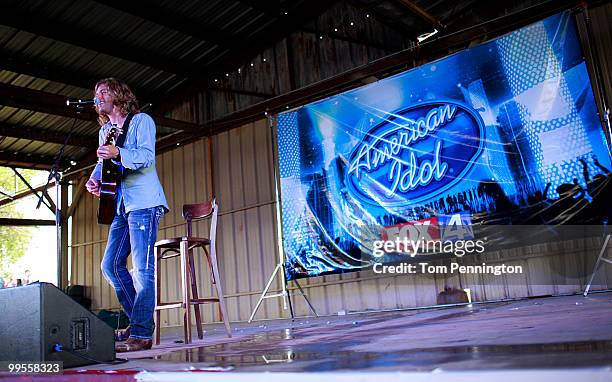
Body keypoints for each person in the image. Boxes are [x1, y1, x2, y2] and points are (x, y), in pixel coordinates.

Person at [85, 78, 168, 352]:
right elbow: (103, 163)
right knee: (110, 266)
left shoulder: (141, 121)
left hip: (144, 201)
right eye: (96, 93)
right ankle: (139, 323)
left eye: (104, 91)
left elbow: (146, 157)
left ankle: (142, 334)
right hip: (120, 204)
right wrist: (95, 179)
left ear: (119, 95)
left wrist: (118, 151)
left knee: (143, 270)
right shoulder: (105, 131)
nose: (98, 96)